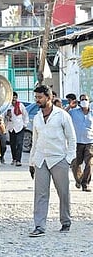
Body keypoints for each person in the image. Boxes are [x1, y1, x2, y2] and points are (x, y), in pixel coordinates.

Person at [28, 85, 76, 237]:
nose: (37, 100)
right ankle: (39, 226)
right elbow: (35, 141)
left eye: (39, 97)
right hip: (41, 159)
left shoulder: (62, 115)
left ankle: (65, 221)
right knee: (40, 194)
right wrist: (31, 161)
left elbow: (72, 138)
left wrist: (68, 159)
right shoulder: (36, 117)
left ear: (49, 98)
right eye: (36, 97)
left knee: (63, 192)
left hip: (58, 159)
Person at [69, 94, 93, 192]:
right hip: (77, 142)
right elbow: (62, 115)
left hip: (90, 142)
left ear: (89, 101)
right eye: (82, 99)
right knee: (76, 164)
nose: (84, 101)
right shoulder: (73, 112)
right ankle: (78, 180)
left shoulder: (92, 113)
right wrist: (69, 106)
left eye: (86, 99)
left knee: (89, 164)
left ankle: (85, 184)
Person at [5, 92, 29, 166]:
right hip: (11, 127)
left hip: (19, 127)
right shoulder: (7, 106)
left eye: (15, 97)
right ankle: (14, 159)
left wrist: (25, 124)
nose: (14, 99)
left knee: (19, 143)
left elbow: (25, 115)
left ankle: (18, 160)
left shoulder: (20, 105)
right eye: (12, 98)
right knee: (13, 144)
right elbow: (4, 116)